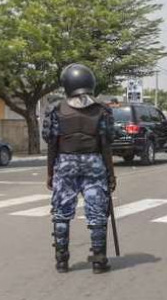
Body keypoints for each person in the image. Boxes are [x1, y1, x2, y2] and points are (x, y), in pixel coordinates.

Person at [42, 63, 116, 274]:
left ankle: (61, 261)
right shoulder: (102, 110)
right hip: (94, 163)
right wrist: (111, 175)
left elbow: (52, 144)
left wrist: (50, 173)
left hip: (65, 164)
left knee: (61, 214)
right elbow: (106, 145)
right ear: (89, 82)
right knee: (97, 214)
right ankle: (99, 261)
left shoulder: (56, 109)